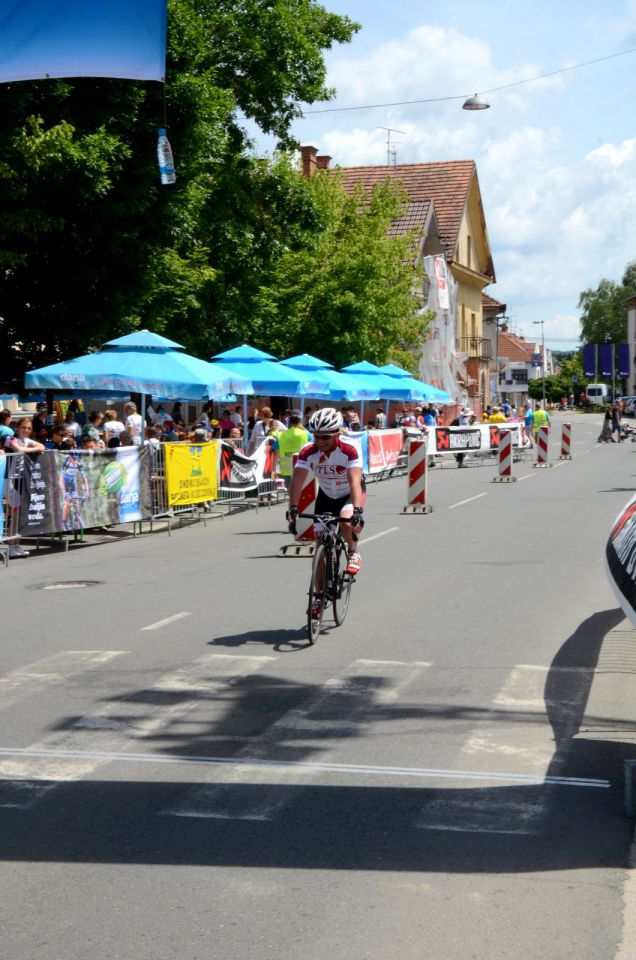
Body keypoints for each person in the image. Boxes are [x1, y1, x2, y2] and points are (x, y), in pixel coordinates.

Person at [288, 408, 365, 607]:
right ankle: (318, 596)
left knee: (347, 522)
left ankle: (354, 551)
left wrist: (357, 511)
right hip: (326, 495)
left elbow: (354, 481)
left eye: (325, 437)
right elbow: (297, 481)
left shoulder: (349, 448)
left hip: (349, 493)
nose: (320, 441)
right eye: (316, 436)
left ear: (337, 433)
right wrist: (293, 507)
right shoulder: (308, 451)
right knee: (319, 549)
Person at [4, 418, 45, 558]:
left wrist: (37, 447)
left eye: (28, 428)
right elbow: (19, 449)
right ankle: (11, 545)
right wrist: (35, 449)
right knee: (15, 514)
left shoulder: (28, 441)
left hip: (21, 480)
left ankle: (16, 544)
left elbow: (42, 446)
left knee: (20, 514)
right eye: (23, 427)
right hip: (9, 480)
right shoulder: (10, 439)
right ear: (18, 428)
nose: (26, 430)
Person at [273, 413, 309, 489]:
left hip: (286, 471)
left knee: (291, 494)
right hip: (302, 468)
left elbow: (276, 453)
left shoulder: (280, 435)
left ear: (289, 423)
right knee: (301, 493)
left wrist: (274, 470)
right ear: (299, 422)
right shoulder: (306, 434)